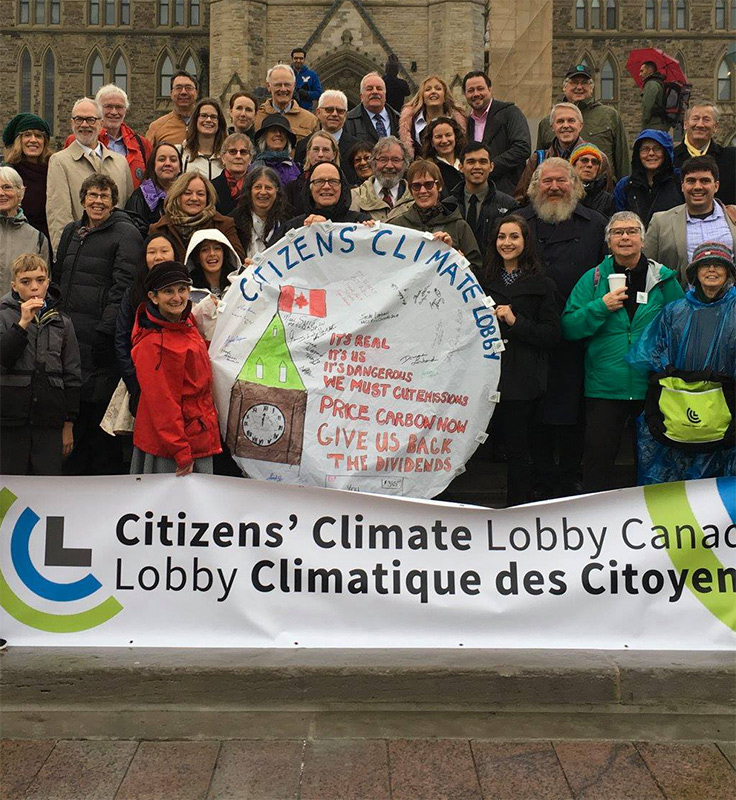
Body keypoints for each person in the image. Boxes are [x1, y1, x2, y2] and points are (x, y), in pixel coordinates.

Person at [562, 211, 684, 493]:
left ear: (643, 239)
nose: (625, 237)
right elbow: (569, 327)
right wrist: (600, 307)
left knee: (656, 462)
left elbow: (680, 328)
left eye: (631, 231)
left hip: (652, 386)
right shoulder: (593, 279)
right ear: (608, 242)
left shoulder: (664, 280)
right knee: (598, 462)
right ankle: (596, 522)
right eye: (618, 232)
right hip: (605, 387)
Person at [516, 157, 608, 498]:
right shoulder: (518, 222)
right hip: (529, 335)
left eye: (562, 181)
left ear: (576, 185)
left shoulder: (596, 225)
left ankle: (570, 477)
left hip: (576, 336)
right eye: (547, 181)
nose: (554, 187)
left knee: (574, 410)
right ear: (535, 186)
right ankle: (539, 480)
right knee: (533, 410)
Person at [53, 173, 142, 475]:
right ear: (83, 200)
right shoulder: (71, 231)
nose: (98, 201)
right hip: (68, 336)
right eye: (92, 195)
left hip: (100, 342)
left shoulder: (125, 234)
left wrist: (105, 331)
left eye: (104, 196)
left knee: (98, 421)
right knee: (70, 415)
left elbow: (123, 287)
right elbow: (58, 278)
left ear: (113, 201)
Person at [627, 241, 736, 484]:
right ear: (694, 272)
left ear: (728, 272)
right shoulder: (674, 311)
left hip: (726, 406)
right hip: (679, 404)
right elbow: (653, 351)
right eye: (704, 265)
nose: (711, 270)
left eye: (718, 265)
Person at [481, 215, 560, 506]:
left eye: (514, 237)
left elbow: (552, 334)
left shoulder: (542, 284)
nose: (507, 243)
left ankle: (518, 510)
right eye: (502, 237)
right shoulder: (482, 281)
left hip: (523, 380)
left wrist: (516, 321)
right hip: (487, 377)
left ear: (525, 242)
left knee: (520, 449)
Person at [130, 260, 221, 476]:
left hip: (196, 432)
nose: (177, 297)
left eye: (182, 289)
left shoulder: (186, 322)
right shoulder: (152, 344)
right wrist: (180, 450)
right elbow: (162, 404)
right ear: (153, 297)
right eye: (168, 291)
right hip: (172, 447)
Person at [0, 253, 80, 475]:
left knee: (46, 486)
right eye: (26, 282)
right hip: (9, 421)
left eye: (40, 280)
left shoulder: (62, 322)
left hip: (49, 422)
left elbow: (72, 375)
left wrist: (68, 424)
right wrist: (22, 323)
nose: (34, 287)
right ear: (14, 286)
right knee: (10, 488)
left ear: (48, 282)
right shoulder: (3, 315)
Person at [46, 97, 133, 253]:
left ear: (101, 124)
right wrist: (64, 256)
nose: (84, 125)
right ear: (72, 123)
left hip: (115, 251)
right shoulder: (59, 161)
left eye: (91, 120)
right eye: (79, 119)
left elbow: (127, 211)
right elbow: (58, 215)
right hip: (79, 252)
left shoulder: (120, 162)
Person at [644, 155, 736, 285]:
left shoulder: (733, 217)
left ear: (716, 186)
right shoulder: (661, 222)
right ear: (682, 186)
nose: (697, 187)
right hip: (678, 301)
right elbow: (647, 268)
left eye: (705, 181)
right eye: (691, 181)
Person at [115, 232, 178, 414]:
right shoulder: (133, 293)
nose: (158, 256)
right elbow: (122, 340)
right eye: (152, 252)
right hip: (141, 381)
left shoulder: (185, 291)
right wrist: (134, 381)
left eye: (164, 250)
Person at [535, 64, 630, 182]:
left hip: (601, 191)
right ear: (564, 87)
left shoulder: (610, 116)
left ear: (591, 87)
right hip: (560, 190)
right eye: (574, 82)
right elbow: (540, 164)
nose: (579, 87)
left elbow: (623, 160)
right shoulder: (547, 122)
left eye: (584, 82)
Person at [390, 159, 482, 271]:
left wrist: (455, 256)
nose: (423, 191)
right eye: (416, 186)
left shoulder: (459, 226)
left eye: (428, 184)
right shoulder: (397, 226)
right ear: (410, 190)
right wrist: (368, 228)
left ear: (439, 186)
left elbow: (476, 270)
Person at [515, 102, 613, 205]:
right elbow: (521, 199)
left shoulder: (597, 160)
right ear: (552, 127)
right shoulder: (538, 159)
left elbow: (606, 202)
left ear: (580, 126)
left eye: (571, 121)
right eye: (560, 121)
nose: (566, 126)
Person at [63, 84, 152, 190]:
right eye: (108, 106)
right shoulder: (77, 140)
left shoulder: (141, 144)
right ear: (98, 110)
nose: (114, 112)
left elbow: (150, 181)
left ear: (125, 111)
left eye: (119, 107)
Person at [462, 70, 531, 196]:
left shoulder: (510, 113)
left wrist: (489, 167)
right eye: (471, 90)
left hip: (508, 191)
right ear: (465, 94)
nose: (476, 94)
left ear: (490, 89)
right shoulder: (467, 122)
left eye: (480, 89)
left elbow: (522, 148)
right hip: (478, 192)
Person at [148, 172, 245, 261]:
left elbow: (238, 262)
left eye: (200, 194)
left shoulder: (224, 225)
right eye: (187, 193)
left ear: (208, 198)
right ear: (177, 196)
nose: (194, 198)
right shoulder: (159, 229)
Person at [449, 142, 517, 259]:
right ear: (460, 167)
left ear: (491, 167)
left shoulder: (509, 205)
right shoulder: (447, 205)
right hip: (456, 272)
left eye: (483, 162)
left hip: (494, 273)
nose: (477, 166)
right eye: (471, 162)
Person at [613, 130, 683, 227]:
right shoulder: (625, 185)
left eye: (657, 149)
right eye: (645, 149)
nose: (651, 153)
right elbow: (619, 220)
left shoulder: (679, 181)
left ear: (666, 152)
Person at [278, 161, 371, 235]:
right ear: (309, 189)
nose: (326, 186)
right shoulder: (291, 227)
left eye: (333, 181)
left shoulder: (360, 222)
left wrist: (367, 231)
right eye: (319, 181)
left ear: (342, 188)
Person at [184, 228, 243, 343]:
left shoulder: (239, 285)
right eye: (205, 250)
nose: (212, 254)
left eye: (217, 248)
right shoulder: (188, 293)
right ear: (197, 257)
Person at [2, 113, 53, 241]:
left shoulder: (54, 169)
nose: (33, 140)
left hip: (47, 241)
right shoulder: (7, 171)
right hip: (14, 240)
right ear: (19, 140)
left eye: (39, 135)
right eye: (27, 135)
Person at [0, 166, 50, 295]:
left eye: (7, 187)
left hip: (20, 312)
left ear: (20, 193)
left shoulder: (36, 237)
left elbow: (43, 284)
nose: (1, 193)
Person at [673, 103, 736, 206]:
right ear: (685, 124)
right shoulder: (670, 159)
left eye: (706, 120)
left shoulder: (731, 158)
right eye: (695, 119)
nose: (700, 124)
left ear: (715, 126)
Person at [294, 90, 359, 182]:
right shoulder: (303, 145)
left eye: (340, 111)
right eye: (329, 110)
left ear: (345, 115)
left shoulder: (357, 147)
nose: (334, 114)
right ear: (318, 112)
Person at [399, 75, 466, 158]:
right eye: (428, 89)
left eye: (438, 88)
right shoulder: (412, 123)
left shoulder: (456, 122)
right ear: (422, 96)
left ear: (445, 96)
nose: (433, 91)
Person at [350, 136, 413, 221]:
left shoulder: (415, 197)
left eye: (395, 160)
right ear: (373, 163)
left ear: (405, 164)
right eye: (383, 159)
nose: (389, 166)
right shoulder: (353, 197)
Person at [231, 166, 290, 257]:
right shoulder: (233, 221)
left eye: (268, 188)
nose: (263, 192)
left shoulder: (288, 221)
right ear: (250, 190)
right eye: (258, 187)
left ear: (277, 190)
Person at [124, 143, 183, 231]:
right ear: (153, 165)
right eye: (162, 159)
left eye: (173, 160)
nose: (167, 163)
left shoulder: (186, 193)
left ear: (180, 168)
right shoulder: (139, 198)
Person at [254, 64, 319, 142]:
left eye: (287, 84)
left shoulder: (310, 120)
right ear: (268, 86)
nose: (283, 89)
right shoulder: (255, 117)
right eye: (278, 85)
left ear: (294, 86)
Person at [286, 130, 340, 214]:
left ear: (334, 154)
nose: (320, 154)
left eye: (326, 150)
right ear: (308, 153)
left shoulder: (344, 186)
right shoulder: (292, 189)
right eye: (316, 149)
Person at [145, 71, 199, 147]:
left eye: (188, 88)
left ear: (196, 93)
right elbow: (147, 156)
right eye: (178, 88)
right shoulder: (156, 127)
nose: (183, 92)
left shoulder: (207, 124)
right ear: (171, 93)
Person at [344, 73, 400, 144]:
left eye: (379, 88)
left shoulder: (400, 121)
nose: (375, 92)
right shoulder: (348, 122)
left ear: (385, 95)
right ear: (361, 96)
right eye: (369, 89)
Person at [179, 98, 227, 181]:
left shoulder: (227, 156)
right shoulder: (181, 152)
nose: (208, 120)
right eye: (203, 116)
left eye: (213, 117)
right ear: (195, 119)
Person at [251, 113, 301, 188]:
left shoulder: (295, 167)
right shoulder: (255, 168)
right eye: (273, 130)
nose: (278, 134)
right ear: (264, 137)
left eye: (282, 131)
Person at [421, 116, 466, 197]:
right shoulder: (429, 169)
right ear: (431, 142)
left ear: (455, 137)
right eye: (438, 137)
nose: (444, 140)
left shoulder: (467, 162)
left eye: (448, 135)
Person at [571, 143, 615, 219]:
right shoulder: (563, 193)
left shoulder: (607, 200)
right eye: (584, 160)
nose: (589, 165)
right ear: (573, 165)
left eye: (594, 162)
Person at [211, 133, 252, 215]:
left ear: (250, 159)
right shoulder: (211, 187)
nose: (238, 156)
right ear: (223, 157)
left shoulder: (257, 186)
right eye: (232, 151)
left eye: (243, 152)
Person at [639, 60, 668, 132]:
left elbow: (647, 106)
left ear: (649, 71)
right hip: (661, 124)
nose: (640, 74)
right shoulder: (659, 82)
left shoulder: (651, 84)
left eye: (642, 71)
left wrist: (644, 124)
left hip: (653, 125)